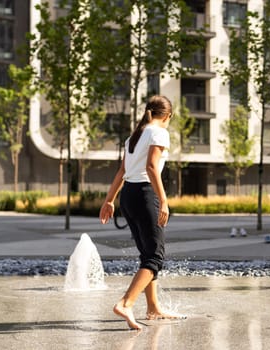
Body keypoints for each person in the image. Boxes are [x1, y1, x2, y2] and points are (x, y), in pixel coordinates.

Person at [99, 95, 180, 330]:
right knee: (155, 257)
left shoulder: (133, 137)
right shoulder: (159, 133)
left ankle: (153, 307)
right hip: (145, 196)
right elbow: (152, 167)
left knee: (147, 254)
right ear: (167, 116)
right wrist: (163, 201)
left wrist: (109, 200)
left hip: (129, 197)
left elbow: (122, 170)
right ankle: (126, 303)